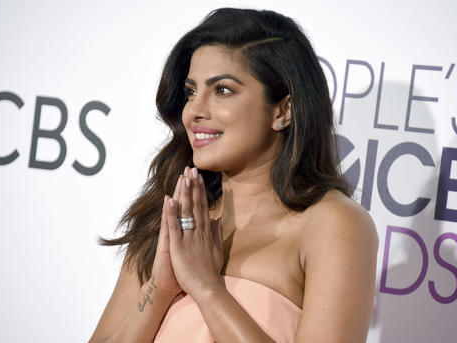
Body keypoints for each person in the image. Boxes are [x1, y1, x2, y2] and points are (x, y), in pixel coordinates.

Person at [89, 7, 378, 343]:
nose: (195, 110)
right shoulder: (171, 214)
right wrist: (160, 288)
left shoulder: (332, 224)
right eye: (191, 92)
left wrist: (207, 287)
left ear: (283, 109)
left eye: (223, 90)